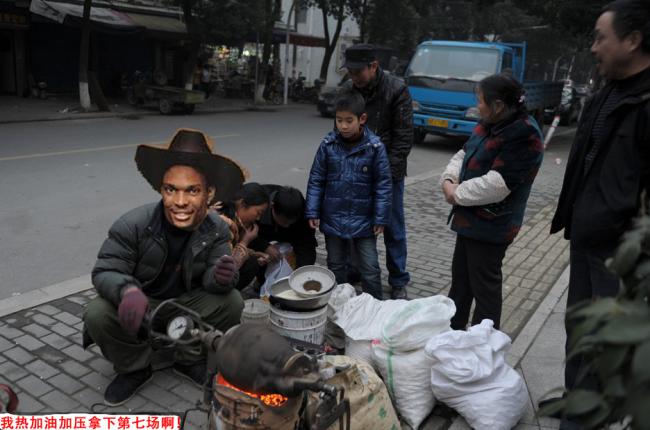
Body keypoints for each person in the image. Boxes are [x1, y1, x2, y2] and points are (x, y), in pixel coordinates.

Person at [83, 128, 247, 406]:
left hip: (186, 302)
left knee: (233, 301)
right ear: (162, 189)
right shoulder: (133, 223)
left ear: (209, 193)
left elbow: (215, 281)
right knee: (96, 313)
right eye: (171, 189)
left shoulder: (217, 229)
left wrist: (222, 277)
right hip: (143, 303)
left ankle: (189, 359)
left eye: (192, 190)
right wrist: (126, 291)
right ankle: (135, 367)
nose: (180, 202)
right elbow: (105, 270)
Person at [549, 0, 650, 410]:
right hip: (586, 235)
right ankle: (575, 401)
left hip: (620, 250)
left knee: (601, 339)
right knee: (578, 329)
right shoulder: (606, 93)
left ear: (633, 40)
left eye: (600, 38)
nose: (593, 47)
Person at [440, 74, 544, 330]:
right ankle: (453, 338)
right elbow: (465, 152)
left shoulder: (524, 134)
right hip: (468, 221)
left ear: (498, 105)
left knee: (484, 290)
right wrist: (449, 178)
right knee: (460, 285)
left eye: (480, 100)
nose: (477, 105)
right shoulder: (490, 122)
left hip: (492, 226)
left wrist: (455, 193)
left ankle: (483, 343)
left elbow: (498, 184)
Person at [341, 44, 413, 299]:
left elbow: (403, 138)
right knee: (355, 222)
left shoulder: (397, 90)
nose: (353, 77)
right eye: (350, 72)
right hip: (355, 171)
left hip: (388, 173)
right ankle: (354, 269)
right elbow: (341, 130)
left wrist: (385, 176)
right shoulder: (348, 89)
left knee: (392, 227)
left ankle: (398, 279)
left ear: (373, 66)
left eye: (358, 71)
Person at [306, 90, 392, 300]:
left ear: (362, 119)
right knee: (335, 265)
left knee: (370, 268)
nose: (343, 126)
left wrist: (380, 217)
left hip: (364, 220)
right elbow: (316, 179)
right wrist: (313, 211)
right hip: (333, 217)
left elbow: (383, 185)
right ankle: (339, 304)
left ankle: (374, 307)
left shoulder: (375, 147)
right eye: (339, 120)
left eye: (348, 121)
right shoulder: (328, 145)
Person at [216, 182, 271, 290]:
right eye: (258, 213)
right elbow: (226, 268)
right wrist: (245, 241)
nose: (258, 218)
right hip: (204, 279)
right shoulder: (223, 224)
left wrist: (255, 254)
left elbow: (231, 249)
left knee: (253, 261)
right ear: (242, 204)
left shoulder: (234, 219)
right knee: (251, 265)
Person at [248, 184, 317, 269]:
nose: (287, 225)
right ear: (272, 206)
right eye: (284, 222)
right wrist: (265, 247)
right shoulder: (257, 205)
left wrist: (300, 271)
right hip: (262, 236)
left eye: (291, 222)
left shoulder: (305, 214)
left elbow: (307, 246)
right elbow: (244, 232)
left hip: (291, 241)